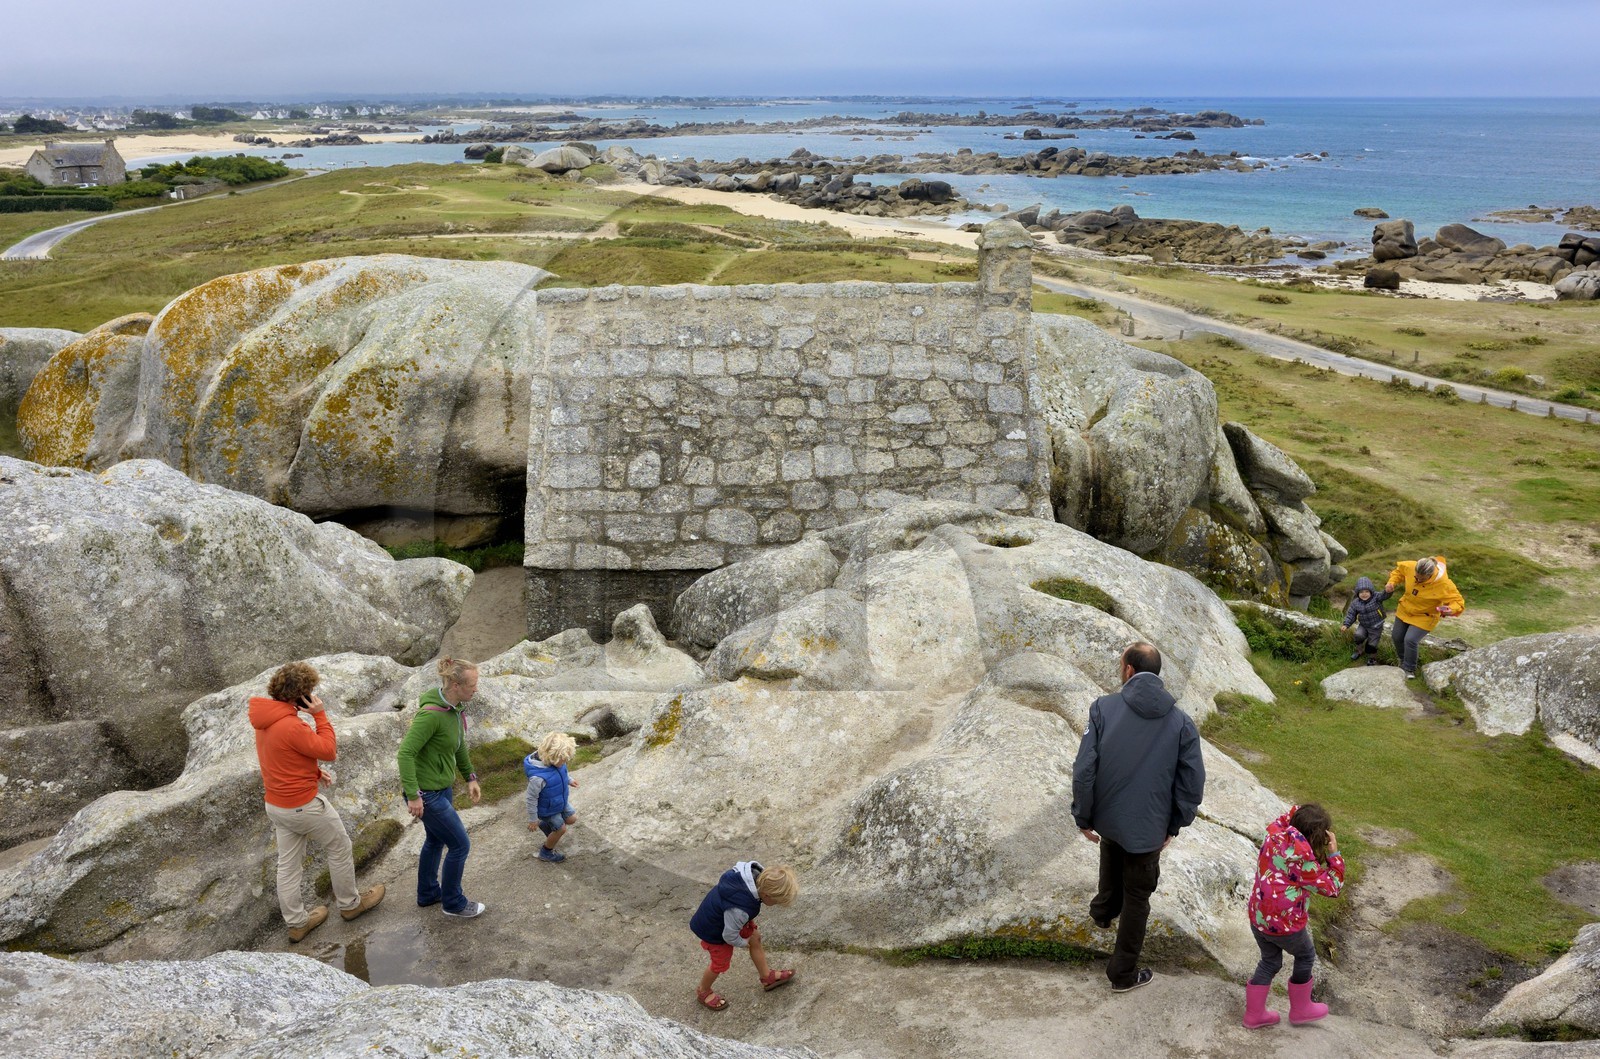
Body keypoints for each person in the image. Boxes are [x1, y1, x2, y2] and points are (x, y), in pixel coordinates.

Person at [1071, 642, 1206, 992]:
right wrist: (1174, 824)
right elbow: (1191, 782)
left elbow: (1085, 768)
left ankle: (1105, 919)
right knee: (1138, 897)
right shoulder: (1181, 723)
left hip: (1109, 816)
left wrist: (1083, 815)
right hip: (1149, 826)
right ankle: (1122, 968)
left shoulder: (1103, 708)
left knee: (1113, 845)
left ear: (1129, 670)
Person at [250, 661, 384, 942]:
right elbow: (329, 750)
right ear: (301, 695)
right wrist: (320, 716)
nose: (313, 695)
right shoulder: (290, 725)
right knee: (339, 846)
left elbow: (282, 757)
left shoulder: (265, 721)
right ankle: (350, 905)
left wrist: (311, 771)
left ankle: (297, 923)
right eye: (310, 691)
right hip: (303, 806)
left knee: (287, 865)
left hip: (277, 805)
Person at [1244, 804, 1345, 1028]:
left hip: (1259, 918)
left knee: (1270, 961)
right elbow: (1333, 887)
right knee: (1306, 955)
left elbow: (1284, 819)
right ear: (1318, 838)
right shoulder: (1303, 862)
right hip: (1285, 926)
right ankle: (1301, 1009)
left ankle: (1254, 1015)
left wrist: (1300, 813)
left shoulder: (1273, 835)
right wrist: (1334, 855)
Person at [398, 657, 485, 918]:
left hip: (441, 789)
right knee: (460, 845)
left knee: (435, 840)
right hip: (426, 794)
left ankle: (427, 893)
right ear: (456, 685)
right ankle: (453, 903)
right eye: (472, 685)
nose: (476, 689)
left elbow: (458, 745)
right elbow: (405, 754)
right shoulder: (431, 716)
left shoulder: (454, 709)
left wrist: (470, 777)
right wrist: (413, 796)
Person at [688, 861, 798, 1011]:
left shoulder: (754, 877)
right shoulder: (740, 910)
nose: (776, 904)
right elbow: (729, 936)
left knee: (756, 937)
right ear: (766, 894)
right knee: (720, 962)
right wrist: (744, 942)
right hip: (714, 930)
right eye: (776, 901)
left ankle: (767, 977)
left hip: (726, 917)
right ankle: (703, 990)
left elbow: (739, 910)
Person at [1384, 555, 1466, 680]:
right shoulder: (1411, 566)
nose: (1417, 580)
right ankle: (1402, 660)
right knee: (1396, 636)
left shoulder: (1444, 584)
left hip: (1425, 616)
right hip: (1405, 609)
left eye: (1421, 579)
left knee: (1410, 640)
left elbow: (1458, 603)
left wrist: (1451, 609)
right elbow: (1399, 572)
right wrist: (1392, 582)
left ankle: (1409, 668)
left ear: (1430, 575)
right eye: (1416, 577)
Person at [524, 731, 579, 863]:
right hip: (547, 809)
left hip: (559, 801)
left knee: (572, 819)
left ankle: (547, 826)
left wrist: (569, 780)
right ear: (552, 757)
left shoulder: (555, 761)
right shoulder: (538, 778)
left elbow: (562, 772)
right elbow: (530, 798)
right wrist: (533, 819)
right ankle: (546, 852)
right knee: (561, 829)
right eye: (564, 759)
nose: (566, 761)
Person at [1339, 576, 1393, 666]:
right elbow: (1351, 615)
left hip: (1376, 626)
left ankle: (1372, 658)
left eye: (1367, 591)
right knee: (1358, 635)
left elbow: (1384, 595)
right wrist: (1346, 624)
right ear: (1357, 593)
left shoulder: (1376, 597)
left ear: (1371, 591)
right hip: (1363, 625)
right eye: (1361, 592)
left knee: (1372, 644)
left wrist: (1388, 591)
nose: (1364, 594)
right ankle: (1359, 651)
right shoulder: (1356, 603)